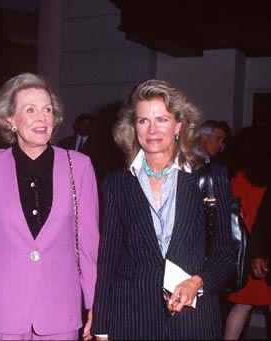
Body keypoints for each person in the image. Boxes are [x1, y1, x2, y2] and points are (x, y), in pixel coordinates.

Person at [92, 79, 236, 340]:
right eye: (143, 120)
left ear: (178, 125)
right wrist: (101, 326)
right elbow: (108, 259)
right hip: (132, 318)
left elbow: (225, 253)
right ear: (133, 127)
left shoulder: (210, 177)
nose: (152, 130)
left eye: (162, 119)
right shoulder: (117, 183)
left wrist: (198, 282)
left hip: (194, 320)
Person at [0, 73, 99, 340]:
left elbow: (88, 242)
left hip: (60, 312)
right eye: (30, 110)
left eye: (47, 110)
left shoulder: (79, 166)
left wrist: (93, 301)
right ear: (10, 119)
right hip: (1, 311)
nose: (42, 118)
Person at [223, 125, 271, 340]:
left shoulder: (236, 173)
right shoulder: (265, 177)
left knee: (242, 303)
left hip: (242, 244)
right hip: (263, 244)